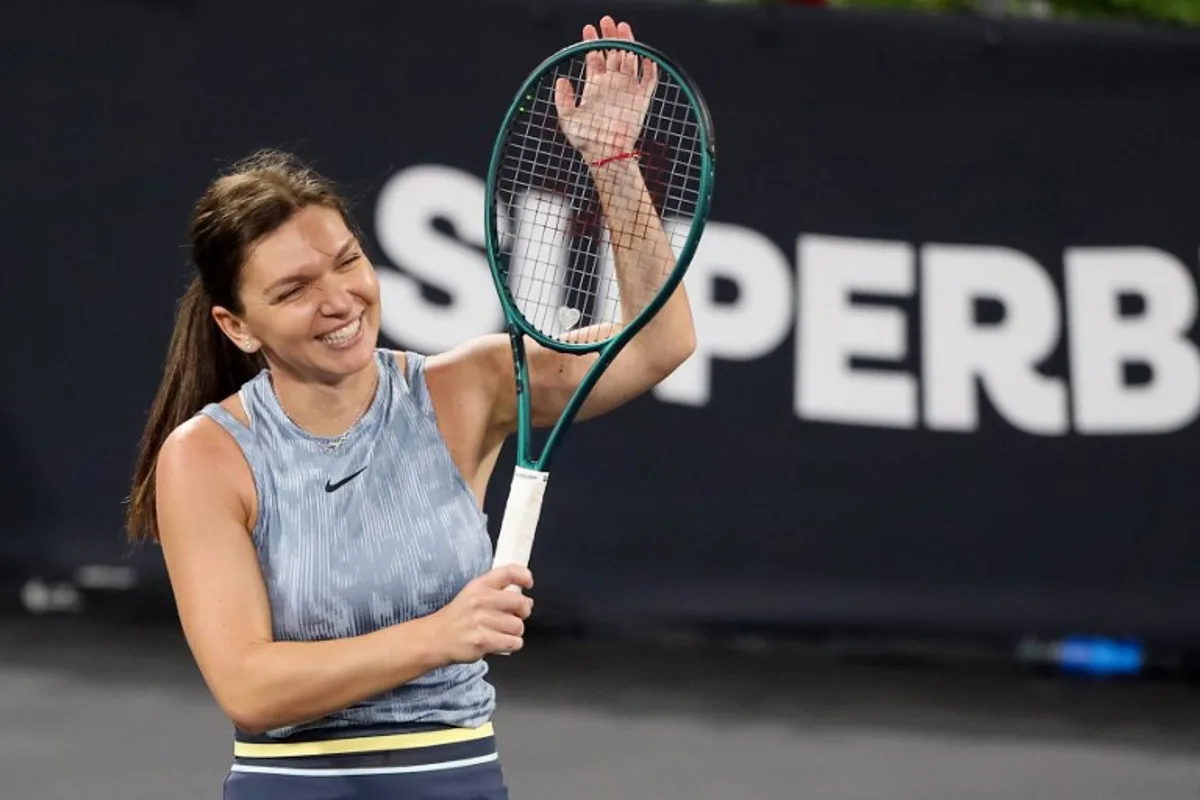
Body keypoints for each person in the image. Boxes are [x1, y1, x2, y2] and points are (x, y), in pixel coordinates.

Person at [123, 14, 695, 800]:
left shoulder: (470, 386)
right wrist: (439, 637)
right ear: (237, 325)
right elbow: (250, 687)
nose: (338, 301)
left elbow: (659, 343)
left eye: (346, 261)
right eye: (292, 291)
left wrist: (612, 162)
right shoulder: (206, 456)